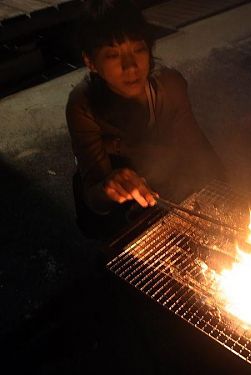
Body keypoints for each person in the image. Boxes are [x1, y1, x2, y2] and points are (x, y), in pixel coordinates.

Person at [66, 0, 225, 239]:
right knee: (113, 233)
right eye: (113, 54)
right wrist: (110, 187)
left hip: (163, 176)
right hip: (116, 196)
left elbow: (197, 149)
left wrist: (226, 192)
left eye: (138, 50)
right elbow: (93, 195)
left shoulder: (169, 86)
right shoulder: (82, 104)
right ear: (91, 62)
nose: (130, 66)